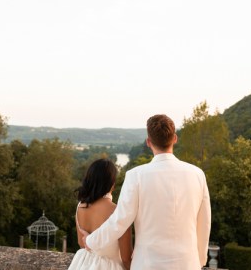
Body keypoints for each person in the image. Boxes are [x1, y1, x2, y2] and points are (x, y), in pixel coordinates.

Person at [83, 114, 211, 270]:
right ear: (175, 138)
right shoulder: (197, 174)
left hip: (147, 264)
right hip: (188, 264)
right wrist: (201, 260)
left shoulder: (135, 176)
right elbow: (204, 223)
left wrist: (90, 241)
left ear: (149, 142)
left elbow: (119, 221)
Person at [68, 158, 133, 270]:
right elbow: (126, 258)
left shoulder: (80, 206)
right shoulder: (118, 212)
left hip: (83, 264)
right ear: (112, 183)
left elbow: (82, 243)